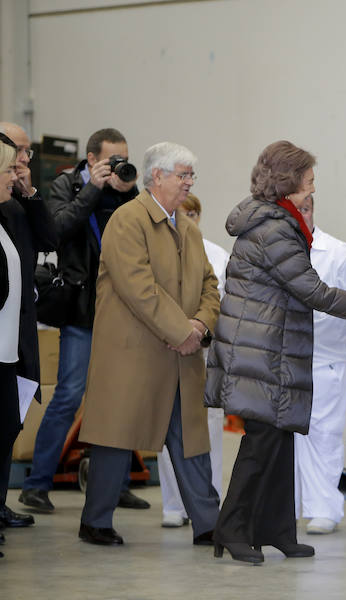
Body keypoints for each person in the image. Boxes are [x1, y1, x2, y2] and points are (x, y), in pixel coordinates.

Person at [205, 141, 346, 565]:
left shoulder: (276, 221)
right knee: (260, 444)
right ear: (289, 183)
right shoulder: (275, 229)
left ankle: (276, 530)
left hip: (272, 350)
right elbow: (310, 289)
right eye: (309, 182)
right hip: (260, 352)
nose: (312, 190)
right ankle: (229, 530)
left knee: (279, 441)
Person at [77, 142, 220, 547]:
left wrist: (200, 325)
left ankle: (208, 523)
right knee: (116, 438)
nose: (189, 182)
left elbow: (211, 286)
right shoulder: (127, 221)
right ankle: (96, 521)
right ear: (157, 176)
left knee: (190, 438)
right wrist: (184, 332)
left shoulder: (188, 229)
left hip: (180, 355)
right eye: (182, 175)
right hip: (134, 355)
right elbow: (138, 288)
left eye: (191, 175)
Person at [19, 128, 148, 514]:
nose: (117, 166)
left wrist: (129, 191)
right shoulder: (66, 185)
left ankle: (116, 482)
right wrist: (92, 189)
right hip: (82, 309)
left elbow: (141, 234)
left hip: (123, 309)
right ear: (92, 160)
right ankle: (37, 484)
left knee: (121, 399)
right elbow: (55, 231)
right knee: (70, 395)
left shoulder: (124, 189)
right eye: (110, 160)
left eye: (122, 158)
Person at [292, 193, 346, 535]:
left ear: (313, 209)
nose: (300, 216)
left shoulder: (338, 254)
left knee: (323, 433)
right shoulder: (275, 253)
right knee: (285, 437)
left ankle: (323, 508)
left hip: (326, 359)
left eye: (305, 209)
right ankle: (288, 504)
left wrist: (325, 331)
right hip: (284, 360)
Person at [156, 193, 227, 528]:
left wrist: (198, 331)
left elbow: (221, 303)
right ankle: (173, 504)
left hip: (205, 354)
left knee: (207, 431)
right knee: (166, 428)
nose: (189, 218)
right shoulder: (153, 251)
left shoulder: (217, 255)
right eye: (182, 212)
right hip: (164, 352)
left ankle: (208, 505)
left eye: (194, 213)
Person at [0, 123, 57, 531]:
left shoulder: (18, 203)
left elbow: (49, 238)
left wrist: (30, 193)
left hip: (17, 334)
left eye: (25, 152)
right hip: (5, 333)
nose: (22, 160)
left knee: (8, 424)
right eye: (15, 152)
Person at [0, 140, 23, 557]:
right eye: (8, 170)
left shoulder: (6, 216)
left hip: (6, 353)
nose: (14, 177)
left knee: (5, 433)